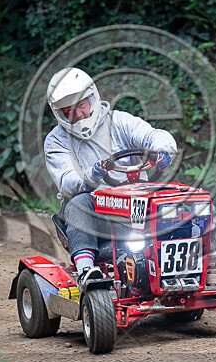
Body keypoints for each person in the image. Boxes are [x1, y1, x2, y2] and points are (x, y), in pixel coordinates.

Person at [44, 67, 177, 287]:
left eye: (82, 105)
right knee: (78, 202)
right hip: (96, 215)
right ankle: (87, 270)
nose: (78, 114)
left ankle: (202, 260)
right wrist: (91, 176)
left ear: (92, 99)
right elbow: (66, 181)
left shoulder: (119, 122)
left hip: (136, 205)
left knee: (178, 202)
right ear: (59, 113)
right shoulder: (55, 141)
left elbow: (151, 135)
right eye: (69, 111)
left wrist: (163, 149)